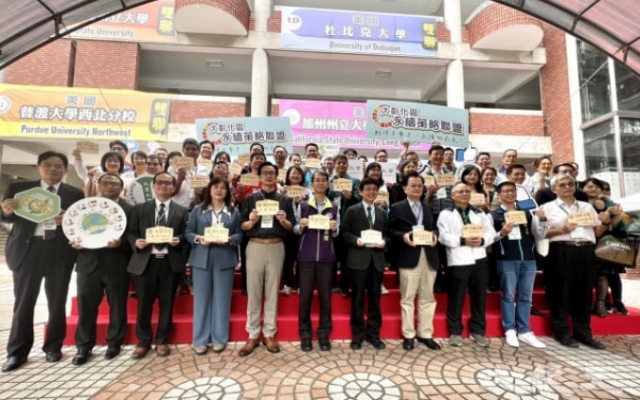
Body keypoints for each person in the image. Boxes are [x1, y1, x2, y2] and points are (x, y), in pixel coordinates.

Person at [1, 151, 84, 372]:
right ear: (38, 167)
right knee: (23, 302)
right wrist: (6, 211)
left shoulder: (74, 193)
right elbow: (5, 216)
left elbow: (80, 222)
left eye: (58, 166)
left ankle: (53, 347)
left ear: (65, 170)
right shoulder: (19, 189)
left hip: (58, 252)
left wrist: (68, 219)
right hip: (27, 250)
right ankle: (17, 352)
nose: (53, 169)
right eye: (47, 165)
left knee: (57, 301)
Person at [540, 173, 610, 350]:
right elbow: (540, 233)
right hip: (561, 250)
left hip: (586, 251)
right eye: (562, 185)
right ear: (554, 189)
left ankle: (583, 332)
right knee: (560, 292)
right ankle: (562, 332)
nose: (567, 187)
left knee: (584, 293)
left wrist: (605, 222)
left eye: (570, 184)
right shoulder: (546, 208)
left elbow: (597, 232)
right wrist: (562, 230)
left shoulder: (586, 206)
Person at [71, 174, 133, 365]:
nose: (110, 186)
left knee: (118, 306)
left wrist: (122, 243)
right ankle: (84, 346)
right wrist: (75, 242)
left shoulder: (130, 210)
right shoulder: (86, 206)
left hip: (117, 263)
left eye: (115, 184)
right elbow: (73, 228)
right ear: (98, 185)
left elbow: (133, 236)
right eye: (105, 183)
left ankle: (114, 343)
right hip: (88, 263)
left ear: (121, 188)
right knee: (86, 307)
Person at [127, 172, 189, 359]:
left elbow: (186, 233)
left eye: (168, 183)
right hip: (146, 262)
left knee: (167, 304)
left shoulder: (182, 211)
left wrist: (179, 239)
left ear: (173, 187)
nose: (164, 185)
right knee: (144, 304)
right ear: (154, 186)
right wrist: (136, 242)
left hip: (169, 262)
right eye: (160, 182)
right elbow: (131, 232)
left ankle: (162, 340)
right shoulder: (139, 209)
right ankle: (143, 341)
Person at [238, 162, 295, 356]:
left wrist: (283, 221)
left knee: (272, 292)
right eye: (265, 173)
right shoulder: (251, 198)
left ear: (277, 176)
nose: (269, 176)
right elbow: (242, 225)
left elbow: (291, 226)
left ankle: (269, 334)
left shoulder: (284, 200)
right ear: (259, 177)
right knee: (254, 291)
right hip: (255, 245)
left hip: (276, 245)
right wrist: (251, 221)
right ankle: (253, 334)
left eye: (272, 173)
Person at [185, 178, 242, 355]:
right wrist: (199, 238)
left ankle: (219, 338)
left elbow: (239, 234)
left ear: (227, 192)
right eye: (215, 187)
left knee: (222, 299)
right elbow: (188, 232)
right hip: (201, 257)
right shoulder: (198, 210)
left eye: (222, 188)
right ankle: (200, 339)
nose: (218, 190)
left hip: (224, 257)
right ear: (209, 190)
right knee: (201, 300)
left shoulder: (233, 212)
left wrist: (231, 239)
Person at [490, 181, 548, 349]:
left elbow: (539, 234)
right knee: (508, 295)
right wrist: (502, 233)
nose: (510, 193)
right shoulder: (494, 215)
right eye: (506, 191)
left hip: (529, 259)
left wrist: (542, 220)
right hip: (506, 259)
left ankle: (524, 331)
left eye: (512, 191)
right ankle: (509, 329)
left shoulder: (527, 213)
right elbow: (489, 238)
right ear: (499, 194)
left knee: (526, 296)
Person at [437, 182, 496, 348]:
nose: (464, 194)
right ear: (452, 195)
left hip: (479, 258)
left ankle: (478, 331)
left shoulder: (479, 212)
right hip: (458, 259)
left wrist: (483, 240)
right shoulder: (446, 214)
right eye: (460, 192)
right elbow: (443, 236)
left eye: (467, 191)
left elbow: (490, 232)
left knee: (479, 297)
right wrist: (463, 241)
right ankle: (455, 331)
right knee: (456, 297)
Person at [388, 172, 441, 351]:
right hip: (408, 255)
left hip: (429, 255)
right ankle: (409, 335)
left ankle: (425, 334)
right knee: (408, 298)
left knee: (428, 297)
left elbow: (434, 228)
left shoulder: (428, 208)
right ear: (405, 188)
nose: (417, 188)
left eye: (420, 185)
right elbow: (390, 231)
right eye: (413, 185)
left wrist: (435, 235)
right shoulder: (397, 207)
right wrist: (403, 236)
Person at [341, 177, 388, 350]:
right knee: (358, 299)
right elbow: (344, 233)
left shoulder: (382, 212)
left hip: (376, 260)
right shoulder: (352, 211)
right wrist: (356, 240)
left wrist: (384, 242)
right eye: (367, 189)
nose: (371, 192)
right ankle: (358, 335)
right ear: (360, 192)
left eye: (374, 189)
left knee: (375, 299)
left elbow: (386, 234)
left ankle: (374, 335)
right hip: (358, 260)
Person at [295, 171, 339, 352]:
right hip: (306, 257)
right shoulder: (304, 205)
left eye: (323, 180)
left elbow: (337, 233)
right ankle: (305, 334)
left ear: (328, 184)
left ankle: (323, 334)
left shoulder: (334, 207)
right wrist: (301, 225)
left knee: (325, 298)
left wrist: (335, 227)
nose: (320, 183)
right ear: (311, 184)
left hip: (326, 258)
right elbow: (295, 229)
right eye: (317, 180)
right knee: (305, 298)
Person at [581, 178, 627, 317]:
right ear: (582, 189)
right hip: (585, 242)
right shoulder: (578, 203)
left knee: (602, 275)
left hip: (604, 243)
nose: (593, 189)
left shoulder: (609, 204)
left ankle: (601, 304)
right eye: (589, 186)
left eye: (596, 187)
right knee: (586, 276)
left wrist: (614, 214)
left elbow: (617, 226)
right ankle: (586, 304)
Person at [329, 155, 361, 297]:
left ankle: (344, 285)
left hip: (349, 224)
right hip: (332, 223)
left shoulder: (355, 181)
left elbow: (360, 200)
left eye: (344, 163)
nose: (341, 165)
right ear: (334, 165)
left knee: (346, 257)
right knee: (332, 256)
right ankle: (332, 284)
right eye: (339, 163)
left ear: (348, 165)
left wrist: (351, 197)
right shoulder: (329, 181)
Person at [280, 166, 309, 295]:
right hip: (286, 228)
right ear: (288, 176)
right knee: (288, 257)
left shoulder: (307, 191)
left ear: (302, 177)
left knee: (301, 258)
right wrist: (286, 196)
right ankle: (288, 284)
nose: (296, 175)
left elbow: (311, 208)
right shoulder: (283, 190)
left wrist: (301, 202)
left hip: (303, 228)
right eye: (293, 173)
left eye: (298, 173)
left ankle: (301, 285)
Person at [168, 139, 212, 209]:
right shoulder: (173, 167)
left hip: (197, 208)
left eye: (194, 149)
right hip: (177, 208)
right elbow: (169, 193)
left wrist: (198, 194)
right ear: (183, 150)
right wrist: (180, 179)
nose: (190, 151)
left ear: (199, 151)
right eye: (187, 149)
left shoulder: (205, 170)